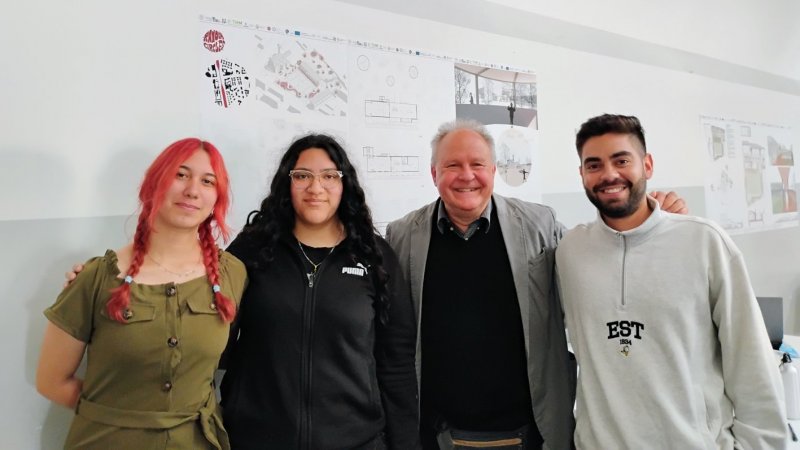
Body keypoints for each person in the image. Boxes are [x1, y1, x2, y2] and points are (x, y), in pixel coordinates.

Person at [385, 119, 687, 449]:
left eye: (478, 164)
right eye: (452, 165)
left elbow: (600, 262)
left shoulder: (539, 225)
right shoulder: (402, 235)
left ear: (494, 170)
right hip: (436, 433)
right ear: (434, 174)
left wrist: (651, 226)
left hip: (529, 432)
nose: (467, 176)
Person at [556, 114, 787, 449]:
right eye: (593, 165)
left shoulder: (705, 243)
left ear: (647, 165)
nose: (608, 174)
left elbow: (752, 362)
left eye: (622, 160)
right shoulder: (570, 251)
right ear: (582, 175)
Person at [37, 138, 248, 449]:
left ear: (217, 198)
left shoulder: (232, 274)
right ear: (154, 184)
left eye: (207, 181)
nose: (192, 190)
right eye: (180, 175)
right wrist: (123, 418)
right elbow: (51, 382)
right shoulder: (97, 278)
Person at [219, 134, 419, 449]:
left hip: (357, 441)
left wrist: (406, 444)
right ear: (287, 183)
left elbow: (397, 363)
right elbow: (213, 338)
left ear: (345, 185)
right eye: (302, 176)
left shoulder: (374, 256)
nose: (316, 188)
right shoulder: (252, 249)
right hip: (256, 439)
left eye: (329, 176)